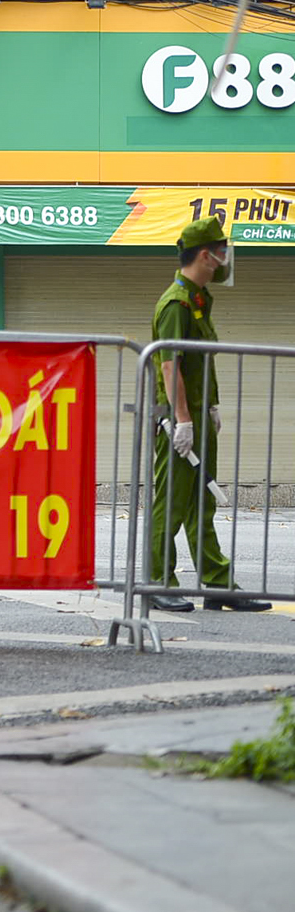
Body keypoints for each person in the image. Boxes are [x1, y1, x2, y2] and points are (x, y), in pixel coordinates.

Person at [145, 216, 270, 614]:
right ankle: (157, 583)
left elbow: (199, 363)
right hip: (178, 422)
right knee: (172, 502)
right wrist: (183, 420)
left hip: (196, 417)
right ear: (206, 255)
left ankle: (217, 583)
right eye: (220, 251)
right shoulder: (176, 303)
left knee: (201, 503)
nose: (224, 258)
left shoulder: (199, 299)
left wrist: (210, 406)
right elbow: (170, 365)